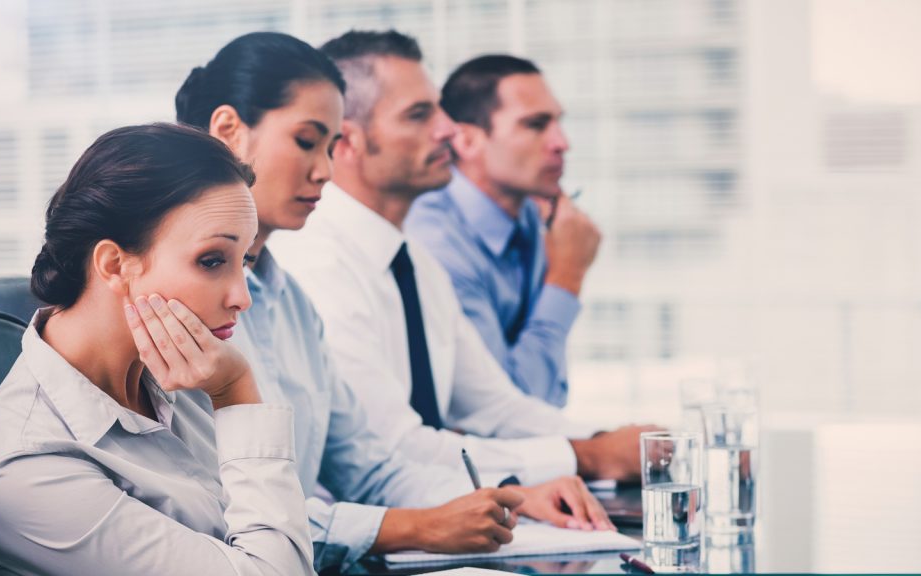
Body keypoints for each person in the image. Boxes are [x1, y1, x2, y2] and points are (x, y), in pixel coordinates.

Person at [175, 32, 613, 573]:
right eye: (307, 142)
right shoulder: (178, 305)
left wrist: (511, 493)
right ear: (229, 132)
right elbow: (212, 511)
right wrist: (416, 526)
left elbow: (370, 466)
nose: (325, 172)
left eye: (329, 146)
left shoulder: (293, 303)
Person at [273, 30, 658, 491]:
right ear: (348, 142)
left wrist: (614, 441)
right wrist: (587, 457)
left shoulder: (412, 259)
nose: (449, 130)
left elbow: (495, 406)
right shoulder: (318, 264)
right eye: (419, 115)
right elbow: (393, 449)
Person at [0, 123, 314, 575]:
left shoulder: (181, 369)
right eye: (212, 261)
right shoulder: (30, 469)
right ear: (114, 264)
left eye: (243, 259)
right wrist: (236, 392)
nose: (241, 297)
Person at [405, 54, 599, 408]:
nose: (561, 142)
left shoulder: (532, 216)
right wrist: (567, 276)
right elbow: (510, 408)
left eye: (557, 122)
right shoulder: (436, 243)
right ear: (466, 141)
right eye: (536, 125)